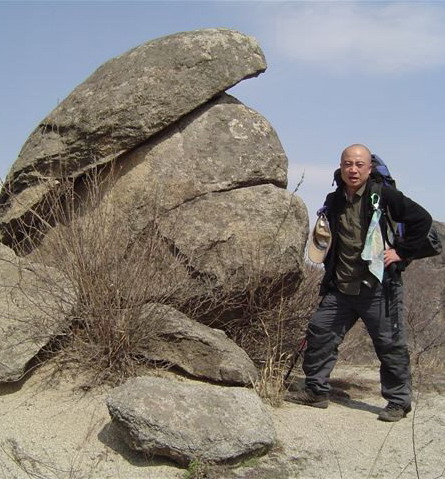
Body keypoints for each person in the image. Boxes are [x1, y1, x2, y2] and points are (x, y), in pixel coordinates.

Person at [287, 144, 432, 422]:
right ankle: (316, 391)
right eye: (348, 164)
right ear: (341, 167)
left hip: (378, 287)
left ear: (369, 168)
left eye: (359, 164)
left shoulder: (383, 195)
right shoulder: (334, 199)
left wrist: (401, 252)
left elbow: (422, 220)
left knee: (390, 345)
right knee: (320, 332)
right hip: (342, 286)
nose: (353, 170)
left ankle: (398, 402)